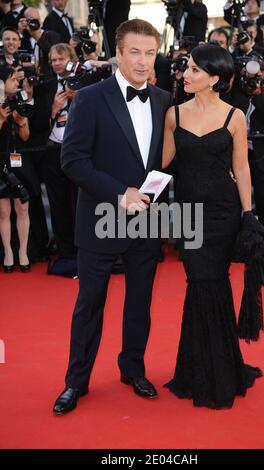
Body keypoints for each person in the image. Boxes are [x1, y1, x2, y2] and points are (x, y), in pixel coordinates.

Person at [53, 19, 172, 415]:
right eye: (134, 52)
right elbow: (72, 160)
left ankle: (134, 370)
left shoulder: (163, 100)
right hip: (100, 219)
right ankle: (76, 381)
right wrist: (119, 193)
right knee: (90, 304)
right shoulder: (89, 98)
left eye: (150, 53)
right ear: (118, 54)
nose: (142, 61)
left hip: (147, 223)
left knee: (140, 303)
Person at [162, 44, 264, 409]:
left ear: (214, 79)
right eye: (186, 68)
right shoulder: (173, 114)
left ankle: (220, 369)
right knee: (198, 282)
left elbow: (241, 168)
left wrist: (248, 214)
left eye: (193, 70)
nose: (185, 75)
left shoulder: (235, 116)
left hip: (223, 213)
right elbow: (162, 168)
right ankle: (198, 369)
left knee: (216, 282)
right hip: (188, 212)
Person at [0, 67, 39, 272]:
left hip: (20, 162)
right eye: (12, 80)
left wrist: (21, 120)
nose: (16, 84)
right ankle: (8, 252)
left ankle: (23, 251)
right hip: (1, 164)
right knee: (3, 211)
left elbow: (25, 136)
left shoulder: (20, 102)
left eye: (17, 80)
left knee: (22, 208)